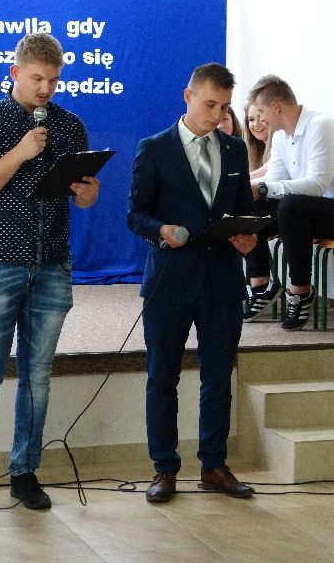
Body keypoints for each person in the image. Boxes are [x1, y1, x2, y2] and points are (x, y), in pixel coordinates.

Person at [0, 33, 100, 516]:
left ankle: (24, 472)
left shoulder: (70, 125)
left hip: (51, 265)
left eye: (53, 80)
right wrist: (19, 152)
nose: (46, 89)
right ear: (15, 73)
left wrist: (88, 195)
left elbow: (81, 197)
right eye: (37, 78)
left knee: (38, 377)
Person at [127, 62, 256, 503]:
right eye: (209, 104)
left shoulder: (235, 150)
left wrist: (247, 236)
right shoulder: (154, 148)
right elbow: (136, 215)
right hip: (170, 279)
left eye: (224, 107)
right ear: (188, 96)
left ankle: (214, 465)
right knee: (162, 377)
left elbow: (243, 212)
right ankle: (164, 468)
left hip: (222, 280)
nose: (217, 115)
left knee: (218, 378)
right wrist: (160, 231)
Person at [243, 74, 334, 330]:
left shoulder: (320, 125)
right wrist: (248, 189)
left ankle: (301, 291)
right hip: (304, 211)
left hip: (327, 207)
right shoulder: (281, 136)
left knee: (291, 205)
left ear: (276, 107)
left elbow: (317, 185)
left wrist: (262, 187)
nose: (260, 120)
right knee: (252, 206)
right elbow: (275, 178)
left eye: (261, 113)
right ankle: (261, 285)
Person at [244, 101, 273, 179]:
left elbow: (270, 170)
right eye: (251, 119)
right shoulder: (249, 150)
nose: (256, 124)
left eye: (262, 118)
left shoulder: (283, 145)